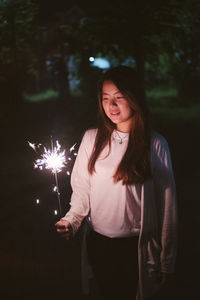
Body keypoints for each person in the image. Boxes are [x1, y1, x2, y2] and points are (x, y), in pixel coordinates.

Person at [55, 66, 177, 300]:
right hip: (98, 245)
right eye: (106, 99)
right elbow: (82, 189)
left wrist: (167, 260)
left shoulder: (155, 144)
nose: (111, 106)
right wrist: (71, 220)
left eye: (119, 98)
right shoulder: (92, 138)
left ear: (135, 98)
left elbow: (168, 207)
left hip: (135, 250)